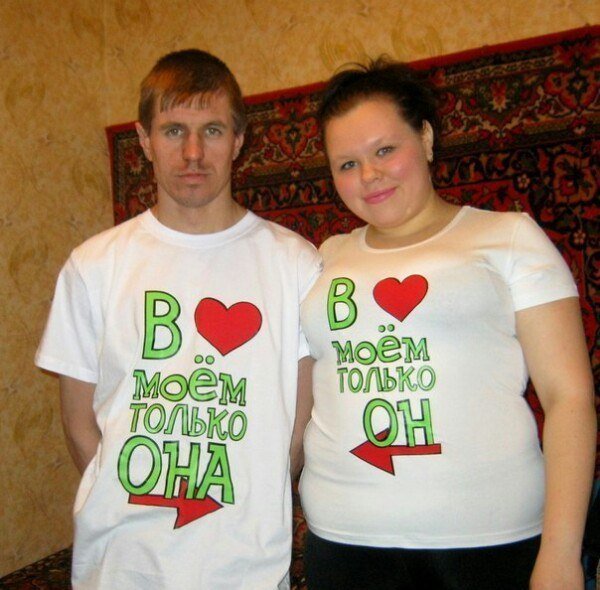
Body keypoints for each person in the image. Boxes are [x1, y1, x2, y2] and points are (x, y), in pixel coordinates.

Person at [298, 58, 596, 590]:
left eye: (384, 150)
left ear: (427, 138)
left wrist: (561, 552)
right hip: (342, 542)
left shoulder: (509, 237)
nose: (368, 175)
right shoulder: (323, 257)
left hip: (490, 542)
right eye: (347, 163)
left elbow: (568, 397)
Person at [35, 49, 321, 590]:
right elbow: (78, 422)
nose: (193, 153)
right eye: (173, 131)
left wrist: (247, 509)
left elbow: (299, 428)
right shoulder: (93, 265)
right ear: (144, 139)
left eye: (212, 130)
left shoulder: (296, 264)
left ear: (239, 140)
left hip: (248, 569)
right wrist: (127, 503)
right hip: (120, 566)